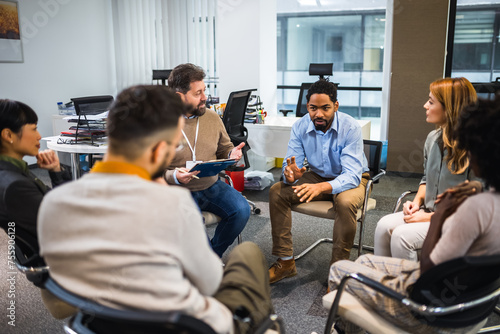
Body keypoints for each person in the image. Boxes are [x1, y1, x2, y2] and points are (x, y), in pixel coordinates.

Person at [38, 85, 277, 334]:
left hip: (97, 324)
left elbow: (59, 305)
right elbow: (209, 284)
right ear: (159, 151)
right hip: (186, 325)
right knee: (248, 254)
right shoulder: (172, 205)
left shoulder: (54, 203)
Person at [328, 94, 500, 334]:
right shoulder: (488, 197)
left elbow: (429, 268)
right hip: (467, 300)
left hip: (428, 311)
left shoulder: (475, 210)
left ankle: (347, 328)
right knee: (365, 260)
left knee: (340, 270)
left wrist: (439, 217)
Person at [268, 79, 370, 284]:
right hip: (316, 176)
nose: (319, 114)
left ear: (336, 106)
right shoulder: (300, 126)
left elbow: (351, 175)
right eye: (313, 108)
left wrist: (322, 187)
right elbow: (292, 164)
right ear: (308, 107)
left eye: (325, 108)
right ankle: (286, 262)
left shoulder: (350, 127)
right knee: (277, 191)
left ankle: (338, 273)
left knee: (345, 202)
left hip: (352, 179)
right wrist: (290, 175)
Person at [374, 77, 481, 261]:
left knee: (402, 237)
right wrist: (416, 203)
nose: (425, 105)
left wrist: (431, 218)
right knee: (383, 226)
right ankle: (385, 283)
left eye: (431, 102)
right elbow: (426, 180)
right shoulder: (433, 138)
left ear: (450, 107)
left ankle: (412, 289)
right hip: (430, 212)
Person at [164, 63, 250, 257]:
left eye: (204, 91)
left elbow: (225, 147)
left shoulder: (211, 117)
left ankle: (210, 256)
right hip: (176, 191)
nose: (205, 97)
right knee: (192, 225)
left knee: (242, 210)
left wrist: (231, 155)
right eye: (198, 93)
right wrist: (174, 176)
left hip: (210, 185)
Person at [0, 99, 71, 250]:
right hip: (67, 257)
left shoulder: (12, 172)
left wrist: (55, 170)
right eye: (34, 129)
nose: (39, 136)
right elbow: (63, 224)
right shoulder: (15, 186)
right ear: (8, 135)